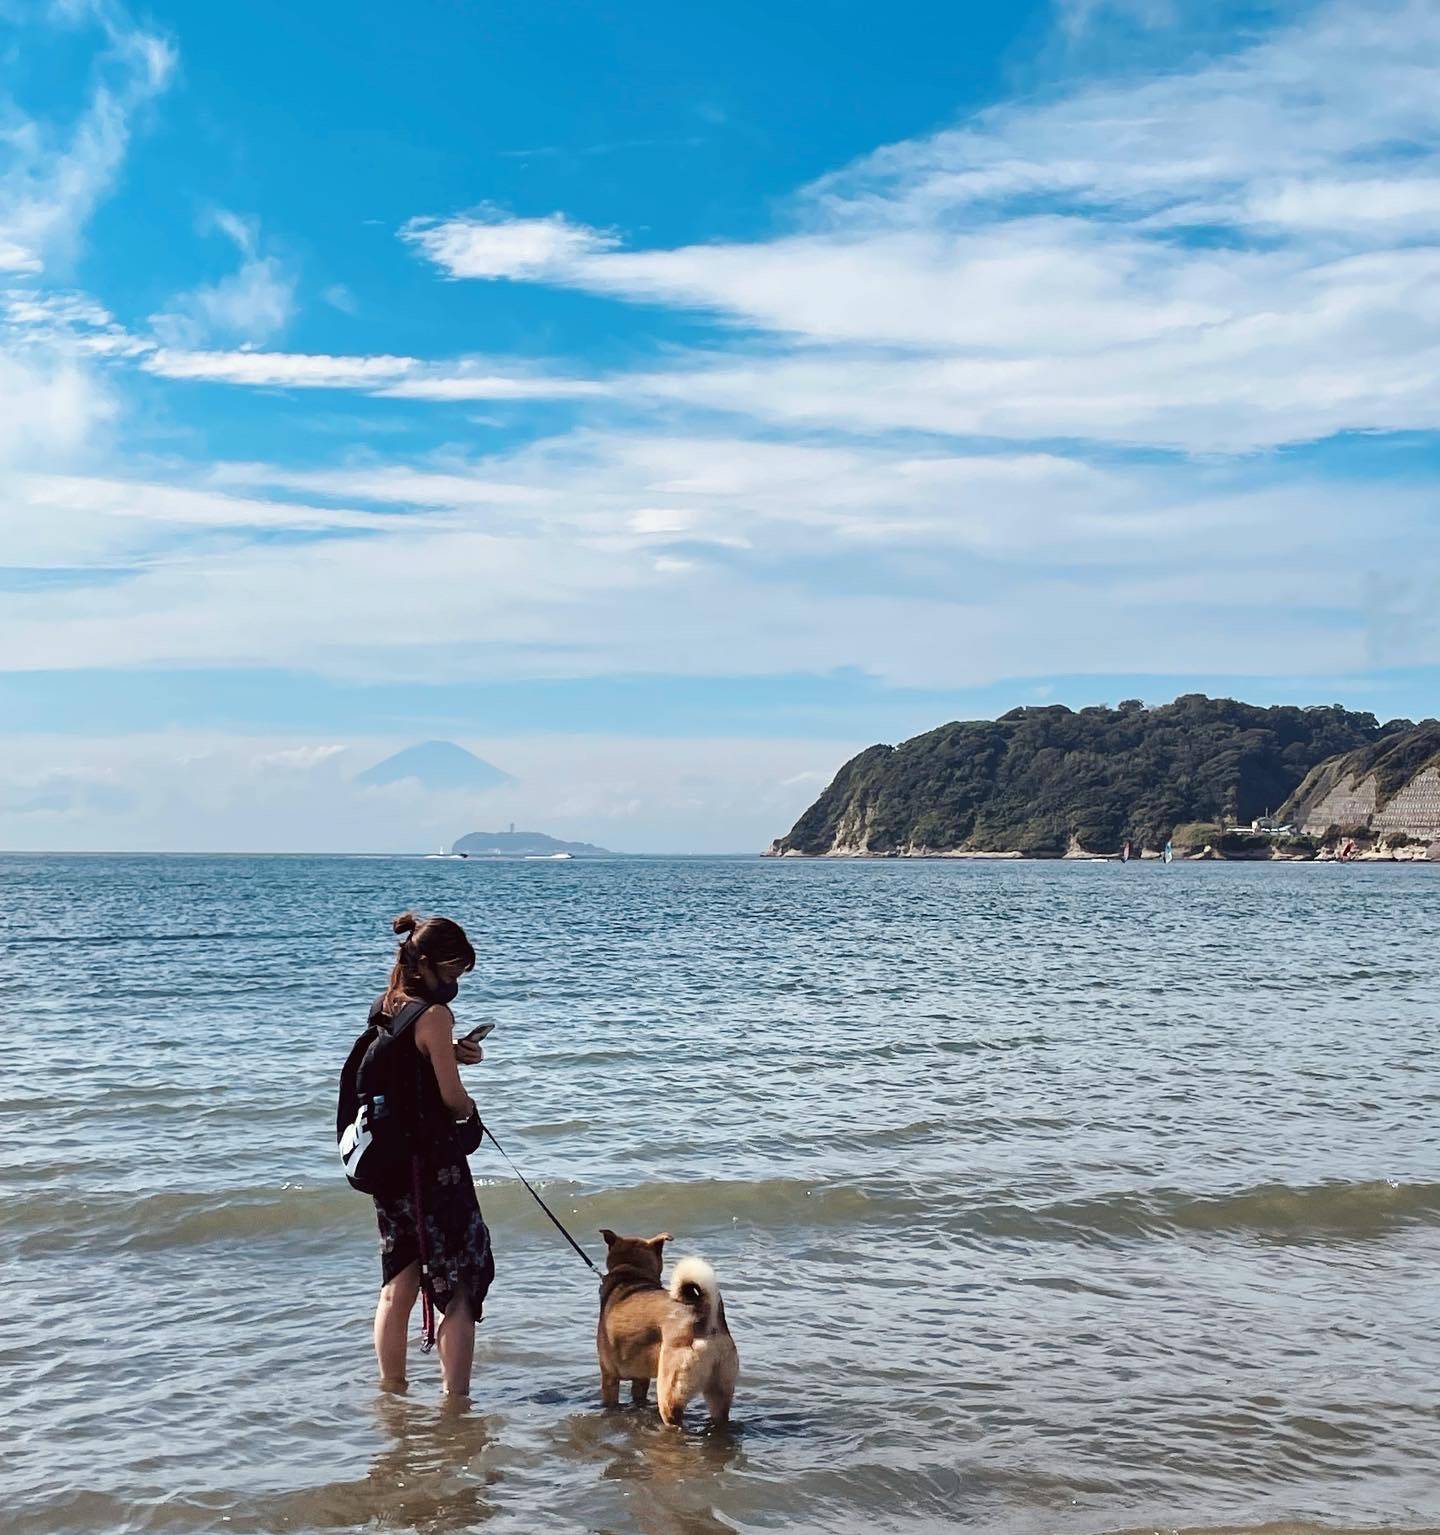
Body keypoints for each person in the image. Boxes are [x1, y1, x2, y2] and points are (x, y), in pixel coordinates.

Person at [370, 911, 494, 1399]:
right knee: (461, 1286)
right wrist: (471, 1104)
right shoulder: (436, 1015)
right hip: (433, 1170)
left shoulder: (387, 1004)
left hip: (391, 1167)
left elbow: (407, 1072)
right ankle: (455, 1405)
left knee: (398, 1279)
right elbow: (452, 1100)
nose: (457, 981)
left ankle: (392, 1394)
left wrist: (453, 1053)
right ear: (430, 966)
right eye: (455, 970)